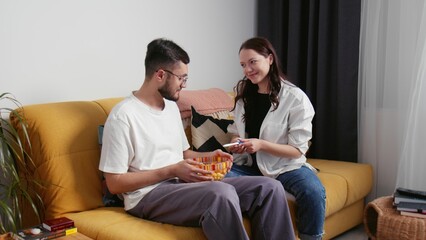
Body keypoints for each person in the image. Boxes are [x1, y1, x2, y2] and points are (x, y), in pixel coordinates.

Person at [99, 38, 295, 240]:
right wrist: (171, 170)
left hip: (181, 184)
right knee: (220, 194)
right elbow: (115, 183)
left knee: (269, 188)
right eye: (181, 78)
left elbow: (183, 154)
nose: (184, 85)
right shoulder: (123, 116)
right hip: (147, 195)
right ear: (160, 75)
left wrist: (210, 156)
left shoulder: (171, 108)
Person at [225, 37, 326, 240]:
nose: (247, 70)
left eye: (253, 62)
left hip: (285, 167)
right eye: (243, 65)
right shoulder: (244, 96)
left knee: (314, 192)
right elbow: (236, 129)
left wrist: (261, 145)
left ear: (270, 59)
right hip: (248, 167)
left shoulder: (295, 98)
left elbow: (298, 150)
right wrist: (237, 143)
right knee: (213, 180)